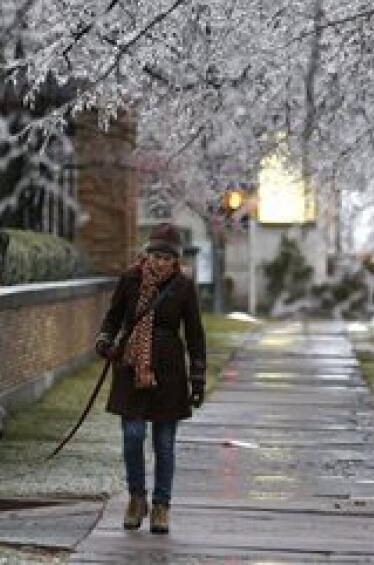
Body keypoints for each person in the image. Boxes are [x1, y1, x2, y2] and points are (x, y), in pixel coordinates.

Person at [94, 222, 206, 535]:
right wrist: (105, 339)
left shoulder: (183, 287)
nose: (159, 261)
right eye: (154, 255)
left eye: (165, 257)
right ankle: (136, 497)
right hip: (131, 367)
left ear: (175, 260)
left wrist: (198, 377)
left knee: (165, 443)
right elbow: (114, 316)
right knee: (132, 436)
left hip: (169, 372)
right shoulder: (130, 279)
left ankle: (161, 505)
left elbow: (195, 334)